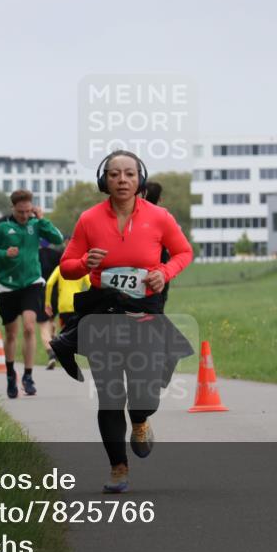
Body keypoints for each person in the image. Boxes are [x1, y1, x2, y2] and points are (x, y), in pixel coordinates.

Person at [57, 150, 194, 493]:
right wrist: (86, 262)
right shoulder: (89, 219)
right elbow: (67, 265)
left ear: (140, 180)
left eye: (129, 174)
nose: (122, 180)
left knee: (144, 392)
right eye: (115, 174)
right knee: (110, 395)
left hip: (143, 314)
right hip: (103, 315)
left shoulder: (159, 217)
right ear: (104, 180)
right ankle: (118, 468)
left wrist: (163, 272)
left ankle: (141, 420)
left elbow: (183, 252)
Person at [0, 189, 64, 398]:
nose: (25, 216)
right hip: (8, 286)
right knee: (11, 334)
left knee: (29, 327)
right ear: (13, 209)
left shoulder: (35, 225)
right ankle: (11, 375)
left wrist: (42, 219)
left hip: (32, 283)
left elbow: (57, 238)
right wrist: (3, 254)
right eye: (21, 212)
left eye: (28, 211)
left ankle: (28, 376)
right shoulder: (2, 228)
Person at [44, 263, 90, 338]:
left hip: (63, 306)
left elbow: (49, 284)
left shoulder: (60, 268)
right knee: (77, 333)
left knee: (65, 335)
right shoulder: (82, 268)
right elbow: (90, 285)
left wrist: (47, 302)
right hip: (77, 304)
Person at [37, 238, 63, 368]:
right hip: (56, 294)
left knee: (43, 325)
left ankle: (51, 353)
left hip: (40, 292)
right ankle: (56, 347)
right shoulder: (57, 255)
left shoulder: (35, 256)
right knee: (52, 320)